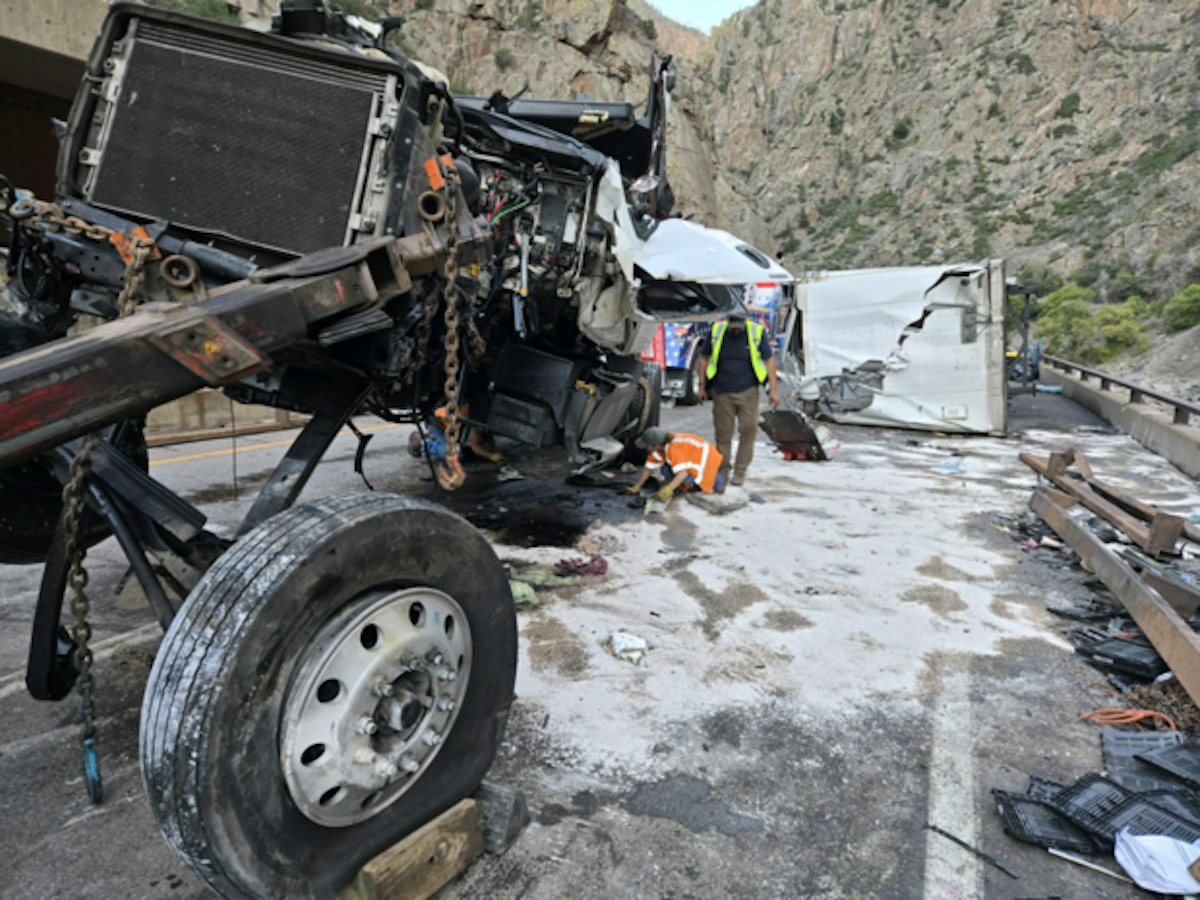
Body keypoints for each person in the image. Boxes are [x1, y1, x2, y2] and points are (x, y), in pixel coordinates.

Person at [696, 311, 779, 488]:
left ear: (745, 321)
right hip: (721, 392)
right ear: (727, 322)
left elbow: (769, 361)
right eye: (733, 326)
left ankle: (740, 471)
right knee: (723, 435)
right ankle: (723, 471)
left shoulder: (756, 332)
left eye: (739, 326)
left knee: (748, 431)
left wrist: (773, 391)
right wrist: (701, 386)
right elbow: (703, 359)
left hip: (748, 391)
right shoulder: (717, 331)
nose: (736, 329)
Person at [624, 427, 725, 501]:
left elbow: (682, 473)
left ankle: (717, 481)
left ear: (655, 445)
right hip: (690, 457)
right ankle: (686, 484)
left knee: (691, 478)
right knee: (665, 470)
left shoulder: (674, 448)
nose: (645, 448)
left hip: (706, 459)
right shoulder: (657, 449)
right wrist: (637, 486)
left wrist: (668, 490)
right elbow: (647, 469)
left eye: (647, 446)